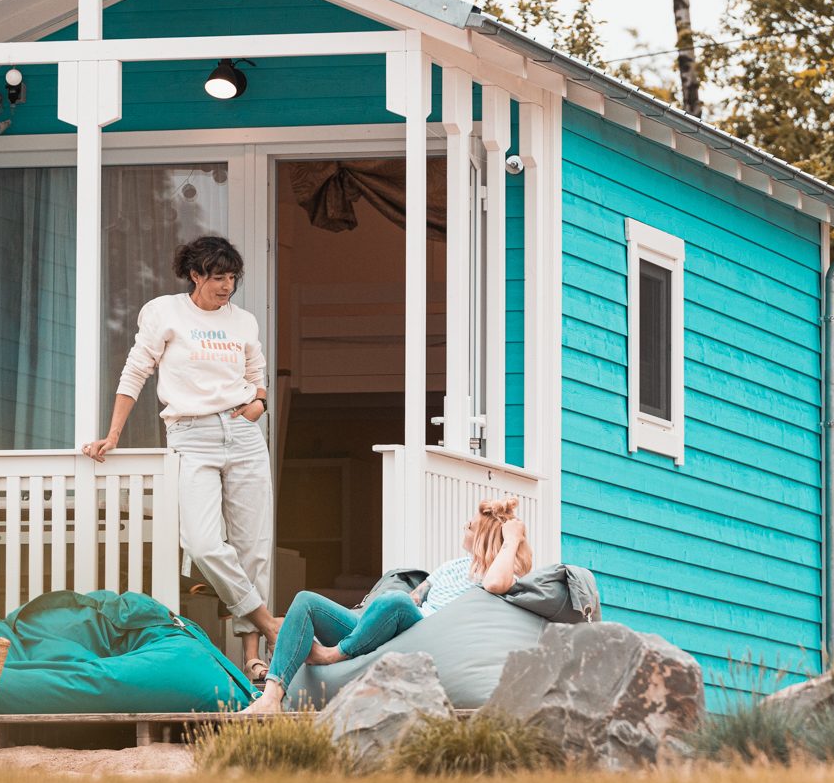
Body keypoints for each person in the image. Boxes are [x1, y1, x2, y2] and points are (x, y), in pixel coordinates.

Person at [82, 235, 278, 655]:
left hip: (243, 433)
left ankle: (252, 656)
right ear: (195, 274)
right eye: (217, 277)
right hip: (192, 434)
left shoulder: (243, 321)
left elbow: (257, 373)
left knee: (253, 547)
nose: (226, 286)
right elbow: (136, 373)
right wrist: (113, 433)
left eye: (231, 278)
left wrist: (259, 403)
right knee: (203, 542)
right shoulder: (165, 312)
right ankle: (266, 621)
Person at [240, 497, 532, 714]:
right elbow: (417, 596)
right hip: (382, 629)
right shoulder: (451, 566)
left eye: (469, 526)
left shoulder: (501, 573)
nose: (464, 528)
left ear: (483, 536)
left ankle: (331, 656)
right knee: (306, 601)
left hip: (420, 634)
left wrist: (512, 539)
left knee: (396, 601)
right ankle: (271, 697)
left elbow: (494, 584)